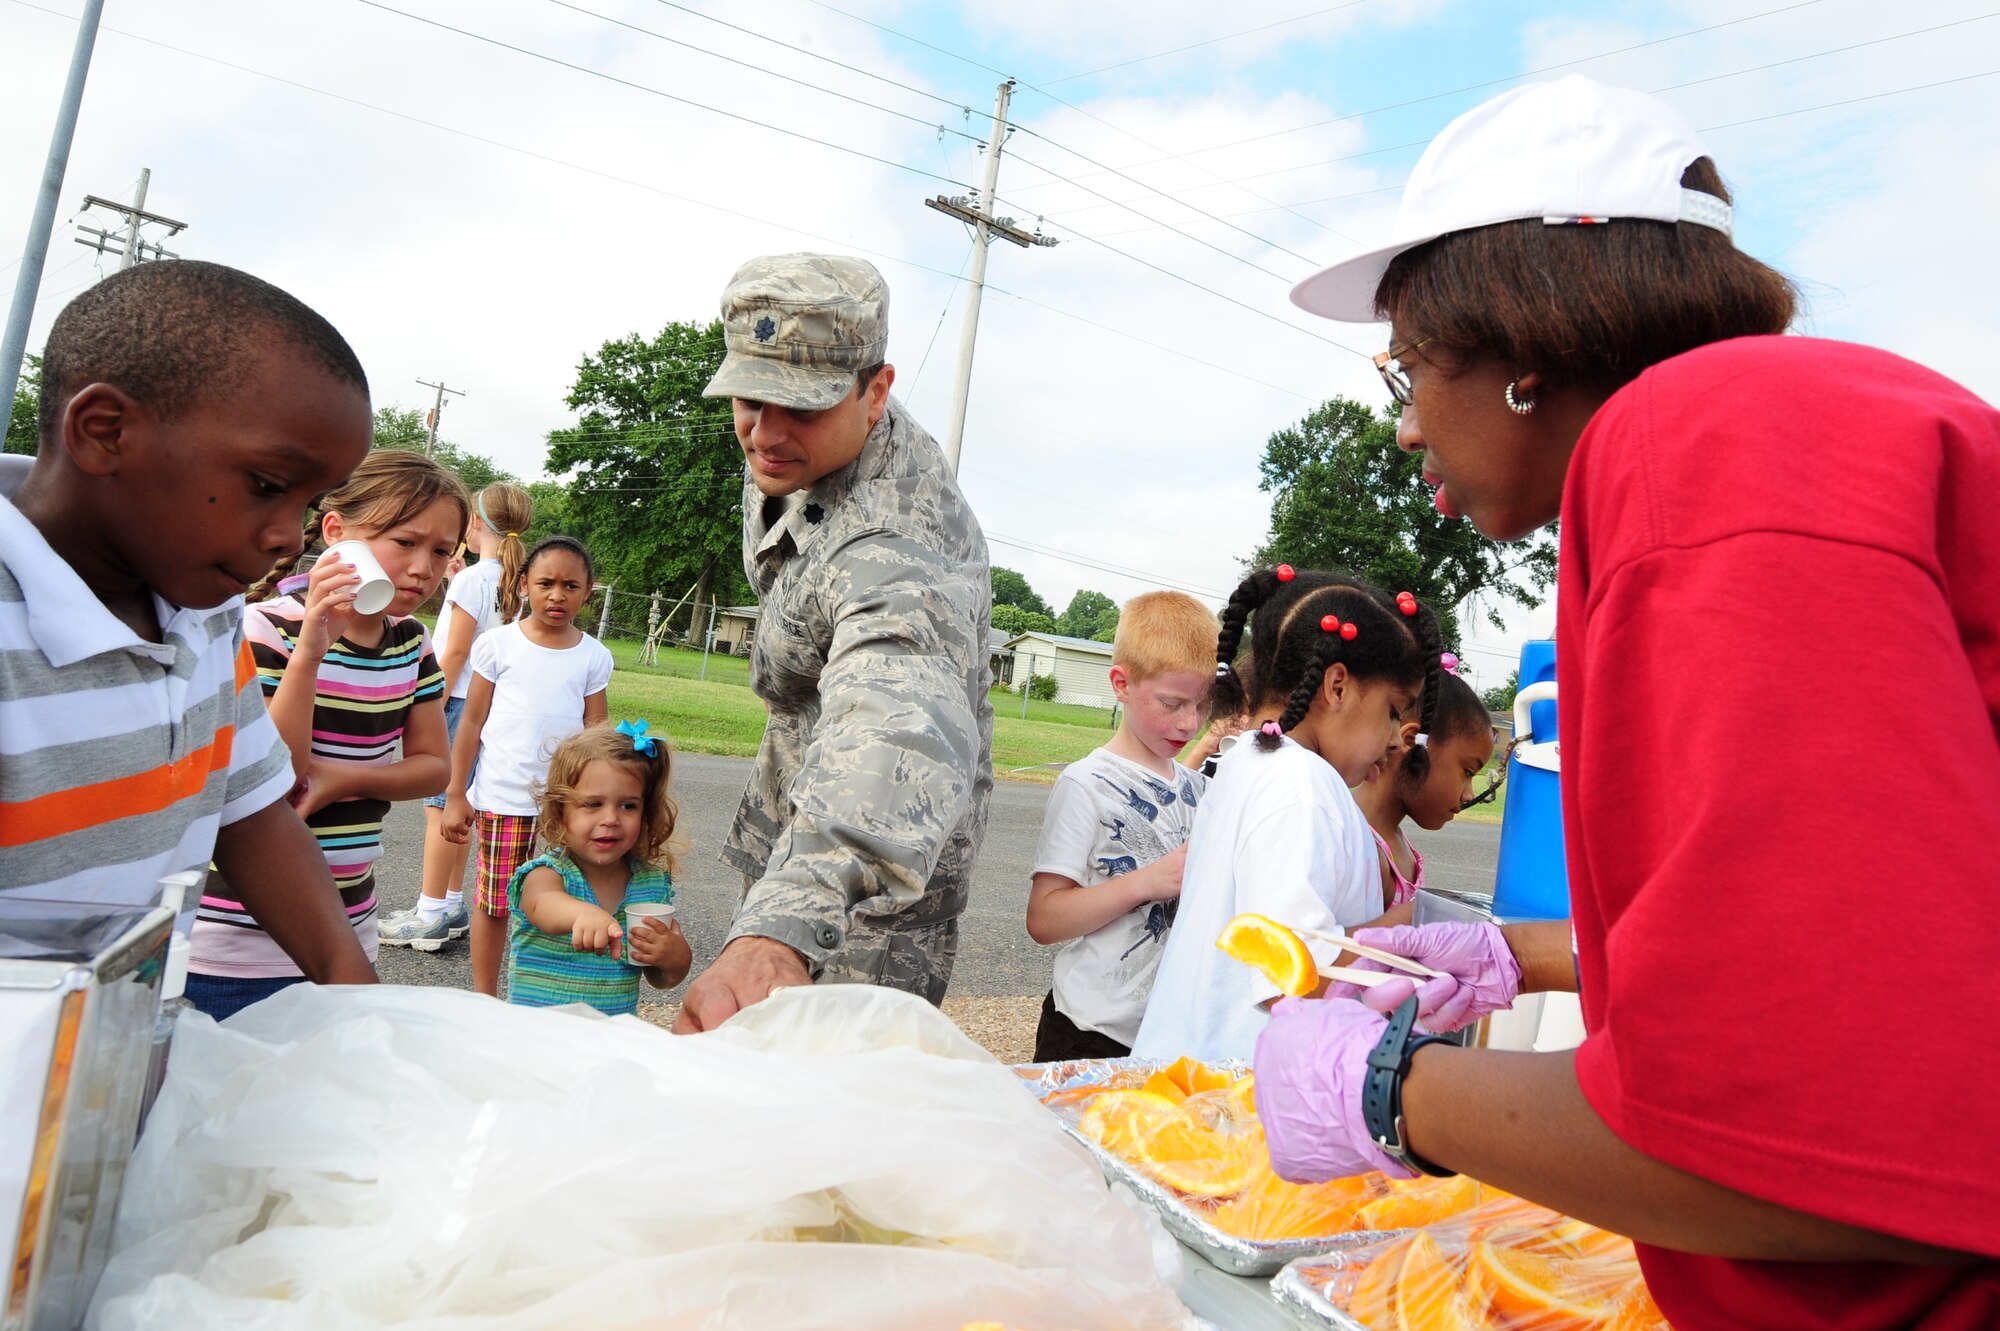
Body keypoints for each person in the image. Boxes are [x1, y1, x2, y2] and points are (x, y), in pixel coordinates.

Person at [1252, 76, 1999, 1329]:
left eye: (1406, 367)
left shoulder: (1698, 447)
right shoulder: (1797, 425)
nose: (1403, 431)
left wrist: (1392, 1093)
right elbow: (1866, 953)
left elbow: (1813, 1139)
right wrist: (1521, 956)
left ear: (1521, 346)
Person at [0, 260, 375, 989]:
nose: (290, 536)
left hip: (113, 1072)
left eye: (308, 500)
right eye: (267, 485)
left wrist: (352, 989)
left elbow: (251, 810)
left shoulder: (205, 608)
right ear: (104, 431)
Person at [672, 254, 993, 1033]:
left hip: (873, 882)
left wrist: (789, 913)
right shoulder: (794, 451)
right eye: (751, 399)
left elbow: (897, 715)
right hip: (797, 802)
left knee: (832, 1108)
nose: (768, 433)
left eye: (802, 407)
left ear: (874, 391)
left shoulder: (896, 540)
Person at [187, 450, 465, 1018]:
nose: (424, 568)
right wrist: (310, 651)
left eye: (442, 551)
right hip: (232, 945)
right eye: (405, 542)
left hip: (347, 929)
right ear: (338, 535)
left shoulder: (412, 642)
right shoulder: (263, 628)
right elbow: (277, 773)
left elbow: (436, 767)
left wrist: (343, 778)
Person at [1129, 568, 1441, 1062]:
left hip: (1192, 1074)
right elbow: (1290, 979)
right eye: (1392, 710)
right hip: (1236, 1098)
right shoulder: (1299, 786)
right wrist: (1413, 923)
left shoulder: (1250, 760)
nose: (1392, 738)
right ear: (1336, 686)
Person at [1024, 591, 1218, 1061]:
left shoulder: (1201, 787)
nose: (1190, 722)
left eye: (1203, 704)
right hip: (1089, 1030)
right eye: (1172, 704)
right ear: (1121, 684)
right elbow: (1044, 920)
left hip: (1167, 1034)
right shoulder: (1084, 783)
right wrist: (1147, 882)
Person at [442, 535, 613, 996]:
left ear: (588, 592)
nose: (557, 595)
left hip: (566, 807)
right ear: (523, 586)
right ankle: (485, 996)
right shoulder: (498, 645)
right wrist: (457, 793)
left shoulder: (594, 656)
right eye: (545, 583)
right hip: (504, 796)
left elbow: (595, 733)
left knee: (558, 899)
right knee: (496, 902)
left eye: (570, 586)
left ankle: (543, 987)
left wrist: (597, 802)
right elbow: (471, 722)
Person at [380, 481, 533, 952]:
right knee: (462, 807)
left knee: (441, 809)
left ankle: (428, 914)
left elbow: (458, 650)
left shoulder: (473, 580)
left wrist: (430, 701)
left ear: (475, 523)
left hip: (458, 701)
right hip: (492, 705)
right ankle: (448, 902)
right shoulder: (516, 578)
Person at [507, 720, 691, 1016]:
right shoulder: (548, 874)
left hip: (609, 1044)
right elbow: (542, 905)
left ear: (647, 813)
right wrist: (583, 913)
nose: (611, 819)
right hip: (538, 1041)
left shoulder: (650, 885)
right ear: (561, 811)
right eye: (592, 804)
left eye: (628, 806)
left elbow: (659, 977)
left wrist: (672, 956)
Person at [1350, 665, 1494, 914]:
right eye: (1467, 772)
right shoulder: (1362, 853)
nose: (1469, 794)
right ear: (1411, 741)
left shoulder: (1396, 843)